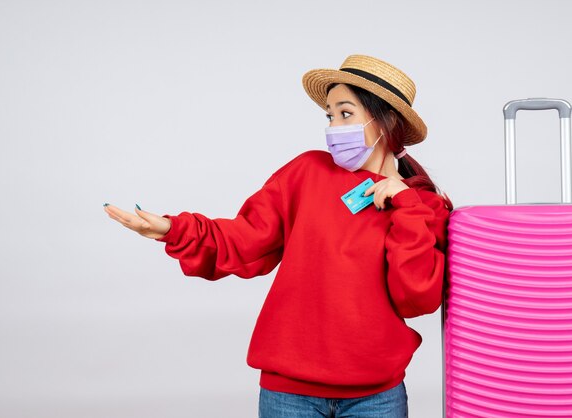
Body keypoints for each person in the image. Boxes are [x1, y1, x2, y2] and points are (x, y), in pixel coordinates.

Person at [103, 54, 451, 418]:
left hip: (376, 396)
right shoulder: (307, 172)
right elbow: (244, 238)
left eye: (345, 114)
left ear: (387, 122)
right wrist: (174, 229)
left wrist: (406, 207)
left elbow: (417, 299)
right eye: (330, 116)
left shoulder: (422, 205)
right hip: (290, 393)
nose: (334, 127)